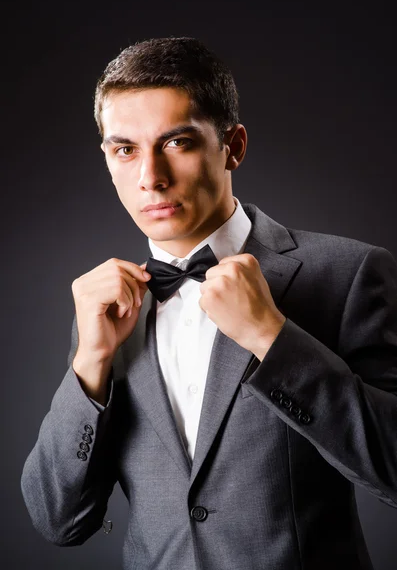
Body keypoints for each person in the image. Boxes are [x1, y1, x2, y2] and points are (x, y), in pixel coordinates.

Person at [21, 36, 397, 570]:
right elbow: (58, 520)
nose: (150, 177)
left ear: (233, 146)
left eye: (177, 142)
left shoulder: (350, 274)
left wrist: (273, 338)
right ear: (108, 160)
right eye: (125, 149)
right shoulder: (104, 312)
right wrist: (89, 364)